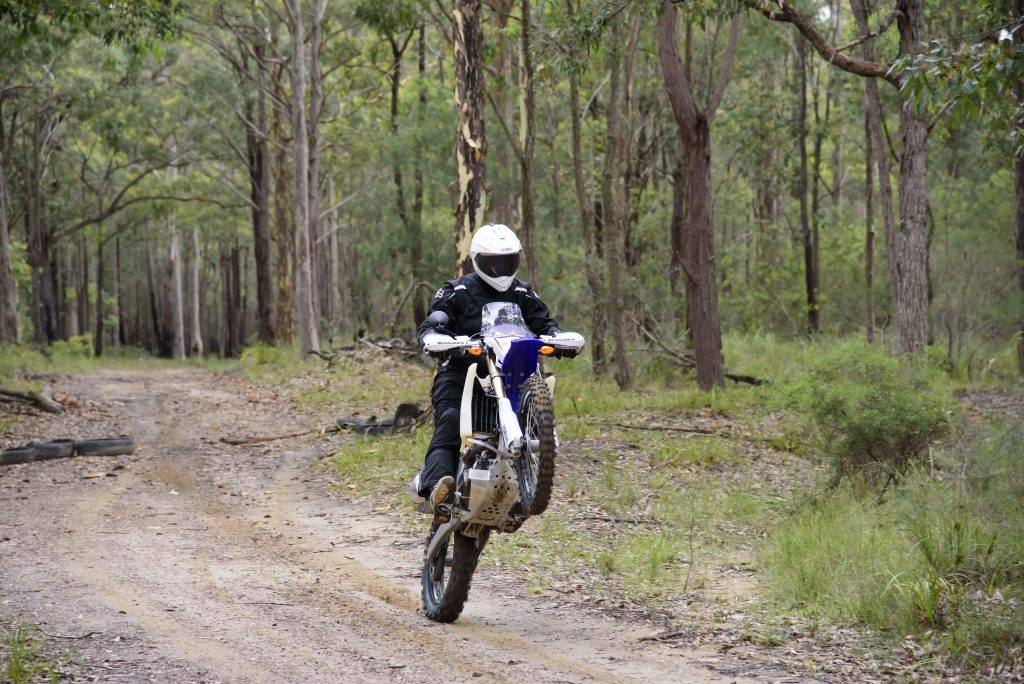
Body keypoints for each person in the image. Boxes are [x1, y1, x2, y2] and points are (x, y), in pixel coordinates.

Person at [415, 223, 562, 519]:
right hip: (461, 374)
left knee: (531, 418)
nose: (500, 269)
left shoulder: (522, 292)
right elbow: (433, 323)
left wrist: (557, 337)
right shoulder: (456, 289)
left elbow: (545, 322)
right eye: (493, 261)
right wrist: (436, 336)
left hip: (510, 377)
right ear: (477, 259)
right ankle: (435, 486)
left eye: (507, 261)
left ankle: (524, 487)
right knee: (451, 419)